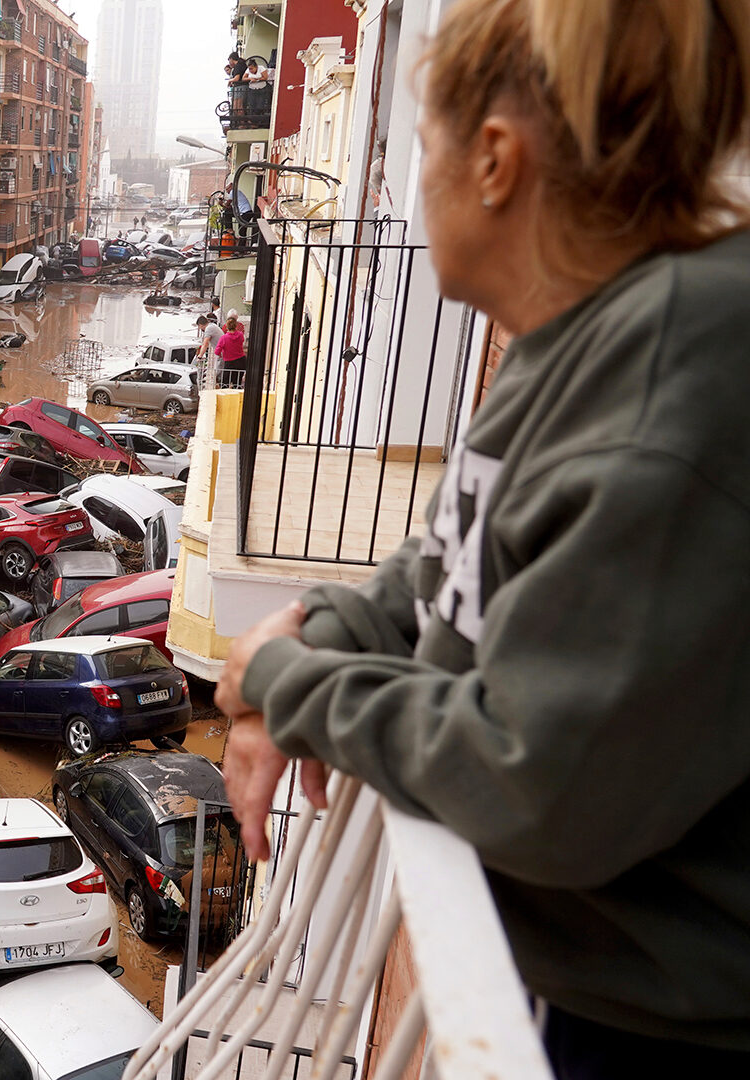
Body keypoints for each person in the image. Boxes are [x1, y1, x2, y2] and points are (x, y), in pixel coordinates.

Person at [213, 1, 750, 1075]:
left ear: (496, 161)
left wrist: (288, 681)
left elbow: (535, 782)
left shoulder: (672, 381)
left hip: (656, 1037)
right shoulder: (586, 336)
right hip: (585, 993)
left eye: (422, 150)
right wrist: (323, 623)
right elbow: (448, 559)